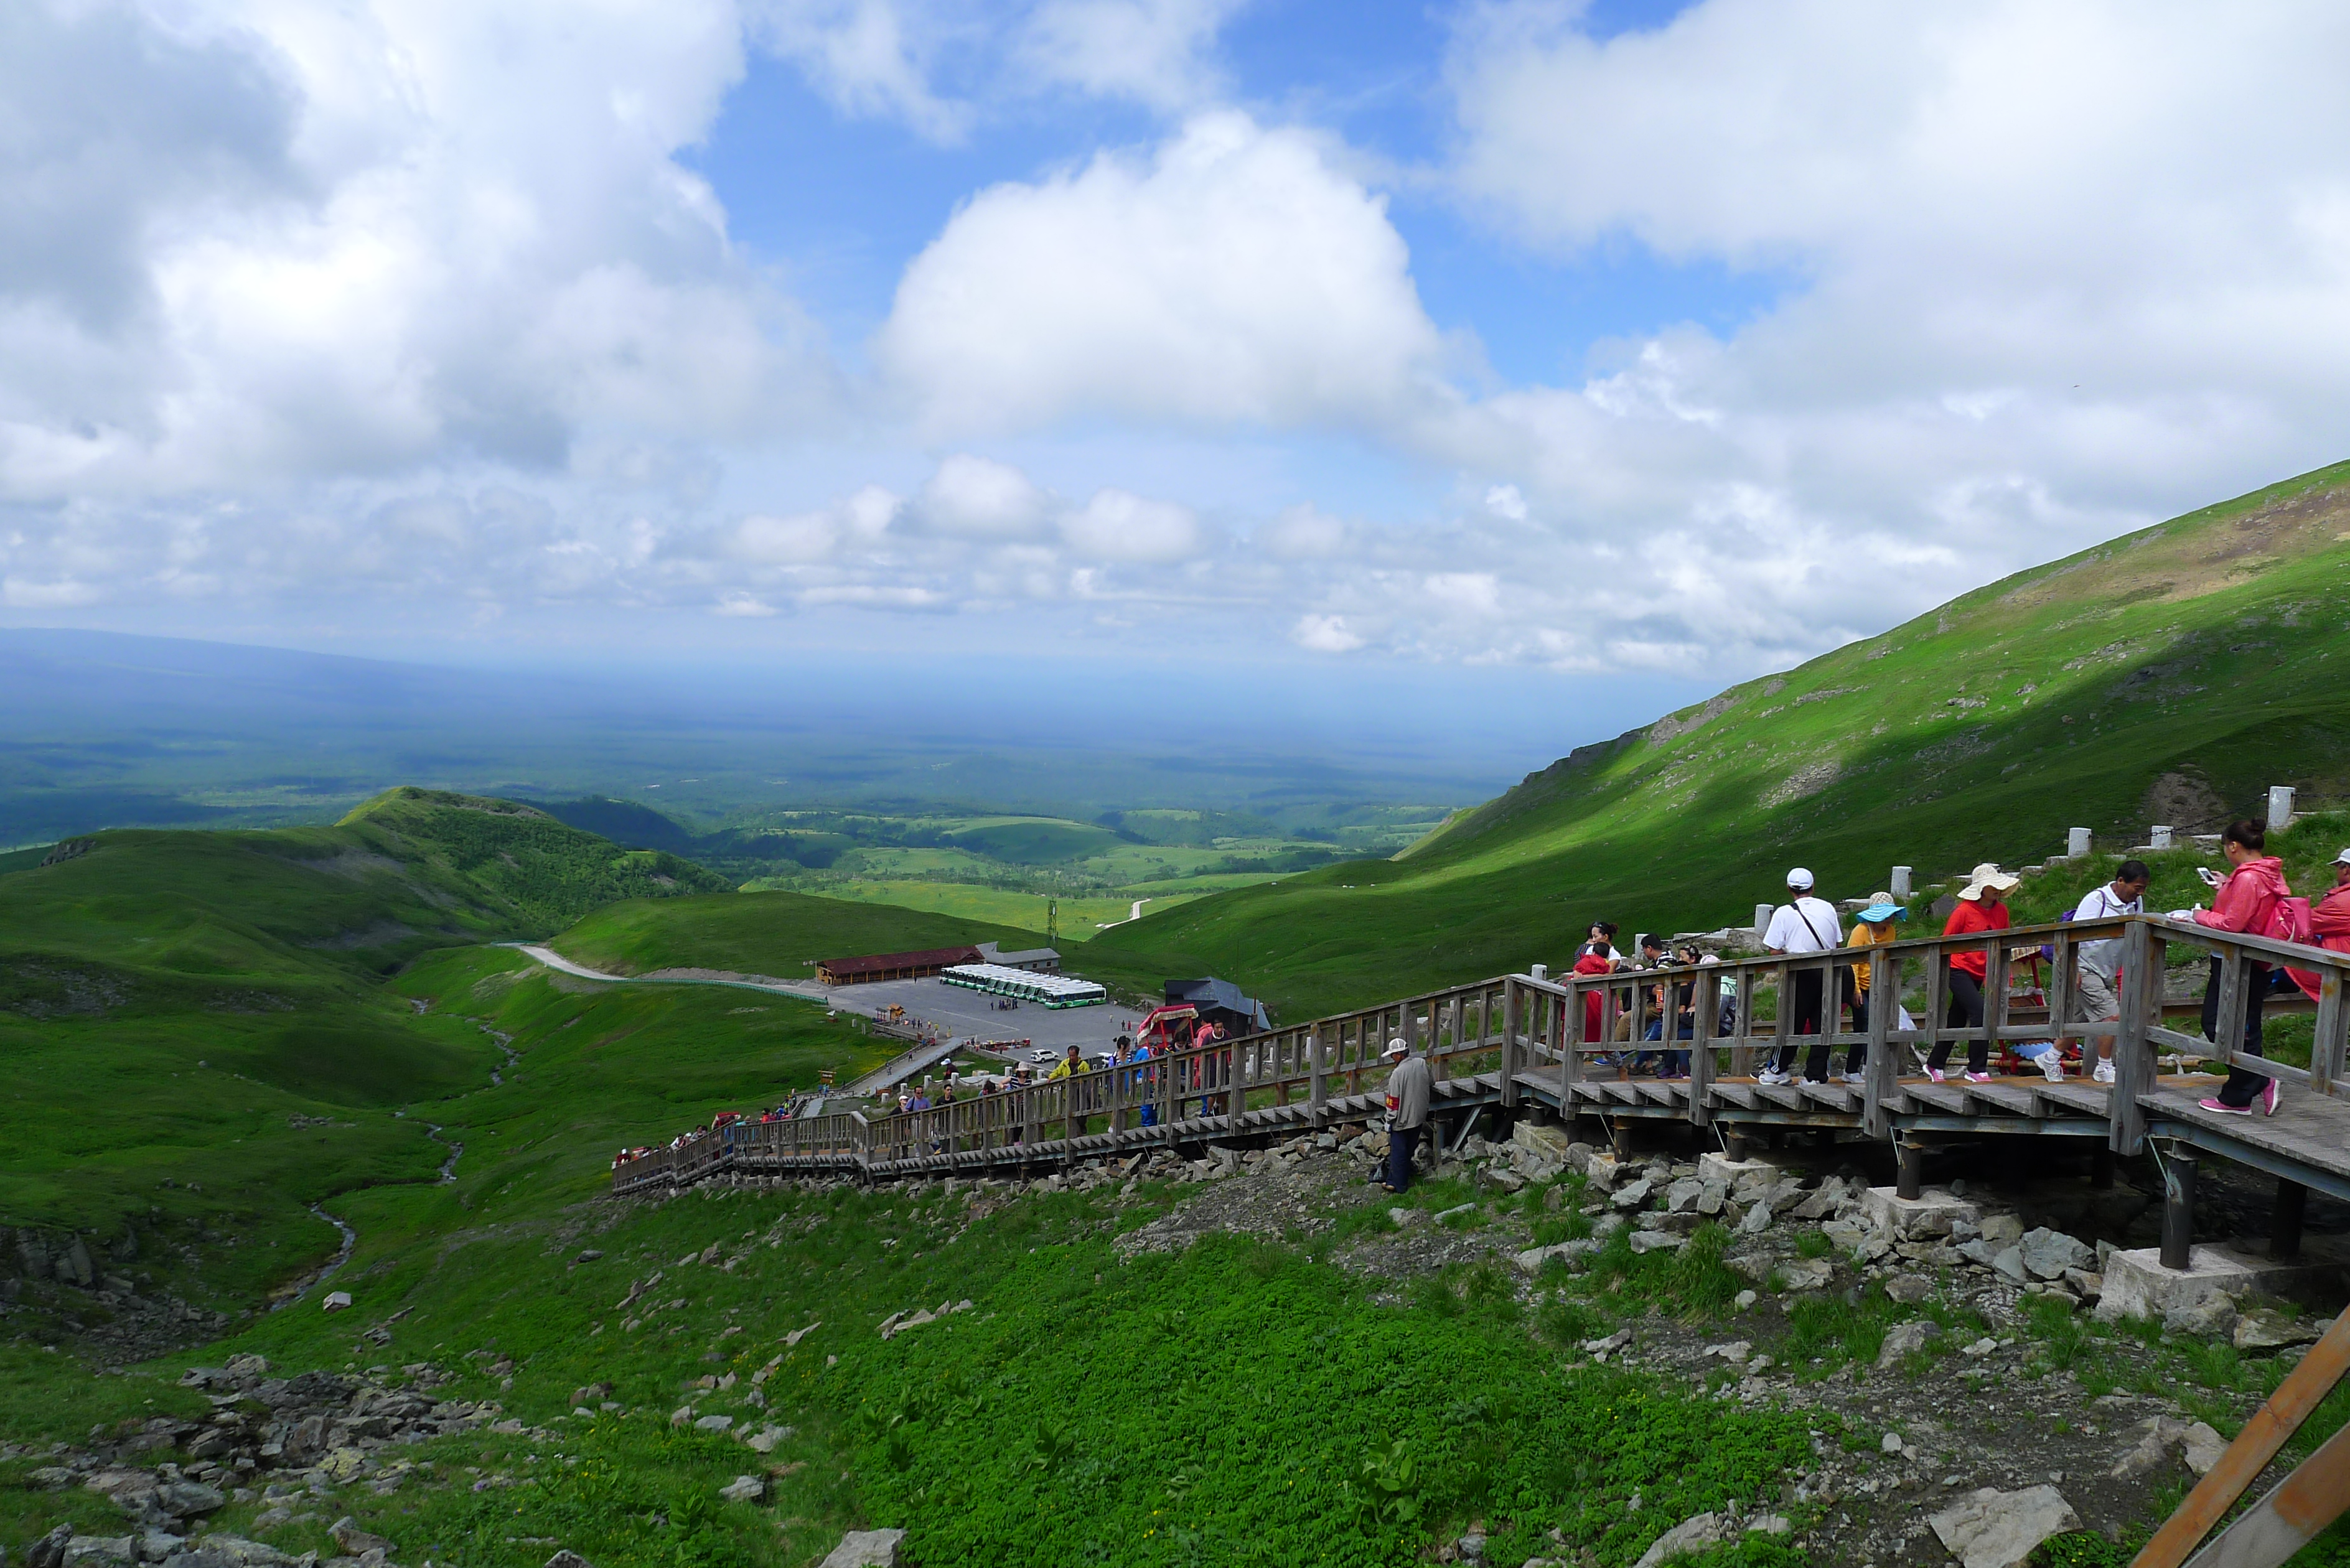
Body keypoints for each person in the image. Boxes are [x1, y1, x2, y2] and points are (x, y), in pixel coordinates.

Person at [2186, 819, 2291, 1115]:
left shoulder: (2248, 878)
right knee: (2240, 1025)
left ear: (2233, 845)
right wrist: (2225, 886)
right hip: (2253, 960)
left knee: (2221, 1024)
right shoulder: (2264, 873)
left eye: (2226, 847)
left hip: (2239, 961)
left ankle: (2246, 1091)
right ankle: (2249, 1086)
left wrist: (2198, 915)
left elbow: (2232, 924)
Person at [2059, 861, 2150, 1085]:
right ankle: (2104, 1067)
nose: (2140, 893)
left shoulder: (2136, 903)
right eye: (2137, 888)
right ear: (2120, 882)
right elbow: (2074, 934)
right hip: (2085, 967)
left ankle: (2050, 1057)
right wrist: (2074, 969)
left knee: (2082, 1021)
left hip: (2105, 971)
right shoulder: (2096, 900)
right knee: (2111, 1016)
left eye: (2143, 889)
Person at [1927, 862, 2019, 1083]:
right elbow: (1946, 941)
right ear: (1981, 888)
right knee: (1980, 1011)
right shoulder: (1963, 911)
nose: (1996, 890)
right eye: (1991, 886)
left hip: (1981, 969)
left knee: (1957, 1018)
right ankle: (1976, 1067)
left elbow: (2004, 942)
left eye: (1997, 886)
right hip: (1958, 967)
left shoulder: (2002, 911)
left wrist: (2005, 973)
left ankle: (1934, 1063)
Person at [1759, 867, 1845, 1085]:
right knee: (1822, 1023)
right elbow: (1838, 943)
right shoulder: (1828, 908)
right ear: (1813, 887)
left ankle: (1777, 1070)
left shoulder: (1784, 912)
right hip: (1829, 970)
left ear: (1789, 889)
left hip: (1800, 972)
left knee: (1791, 1023)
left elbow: (1774, 950)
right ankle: (1817, 1074)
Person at [1842, 894, 1906, 1085]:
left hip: (1878, 984)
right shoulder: (1861, 931)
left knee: (1877, 1024)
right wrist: (1856, 990)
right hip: (1859, 984)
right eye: (1886, 915)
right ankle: (1858, 1068)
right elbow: (1852, 961)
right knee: (1865, 1023)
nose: (1890, 919)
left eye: (1892, 915)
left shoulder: (1891, 931)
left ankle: (1864, 1067)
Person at [2285, 847, 2350, 1002]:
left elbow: (2304, 923)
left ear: (2346, 869)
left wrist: (2285, 905)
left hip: (2340, 971)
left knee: (2283, 942)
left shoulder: (2341, 902)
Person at [1380, 1038, 1431, 1194]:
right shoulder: (1421, 1064)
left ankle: (1398, 1185)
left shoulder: (1397, 1074)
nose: (1391, 1058)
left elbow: (1393, 1102)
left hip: (1402, 1121)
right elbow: (1432, 1081)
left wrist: (1389, 1120)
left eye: (1393, 1055)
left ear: (1399, 1055)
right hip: (1419, 1117)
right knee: (1409, 1150)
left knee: (1398, 1153)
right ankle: (1396, 1179)